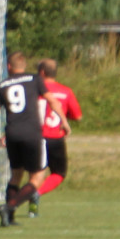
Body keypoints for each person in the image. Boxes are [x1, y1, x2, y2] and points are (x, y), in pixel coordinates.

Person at [0, 51, 70, 227]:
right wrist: (64, 121)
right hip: (32, 134)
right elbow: (52, 101)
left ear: (8, 67)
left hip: (11, 134)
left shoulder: (2, 85)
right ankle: (9, 207)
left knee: (16, 175)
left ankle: (9, 219)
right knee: (37, 177)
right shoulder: (35, 79)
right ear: (23, 66)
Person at [29, 58, 83, 217]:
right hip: (55, 137)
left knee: (35, 173)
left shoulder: (33, 91)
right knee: (59, 173)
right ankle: (37, 193)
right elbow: (78, 116)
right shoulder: (65, 91)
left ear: (41, 72)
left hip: (35, 137)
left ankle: (31, 203)